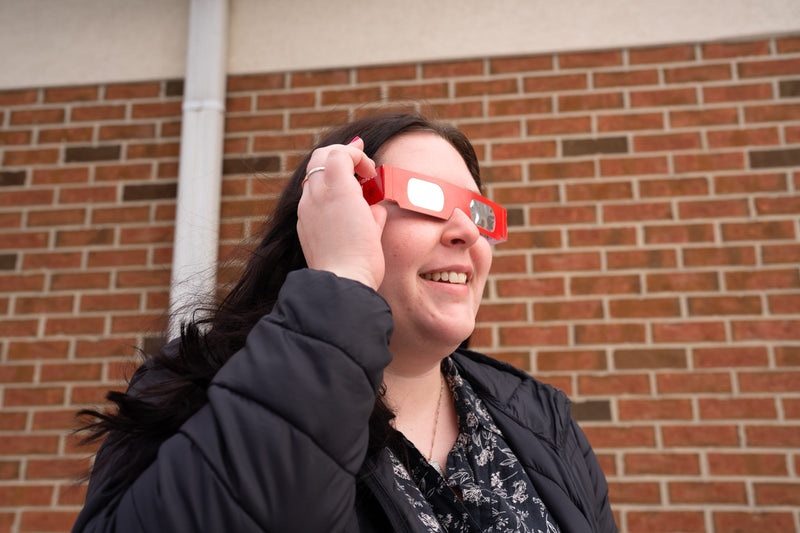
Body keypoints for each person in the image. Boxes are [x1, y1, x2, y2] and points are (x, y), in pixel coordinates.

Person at [72, 111, 617, 532]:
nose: (466, 232)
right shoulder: (192, 390)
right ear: (335, 217)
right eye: (426, 199)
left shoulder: (541, 416)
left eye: (478, 212)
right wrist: (343, 277)